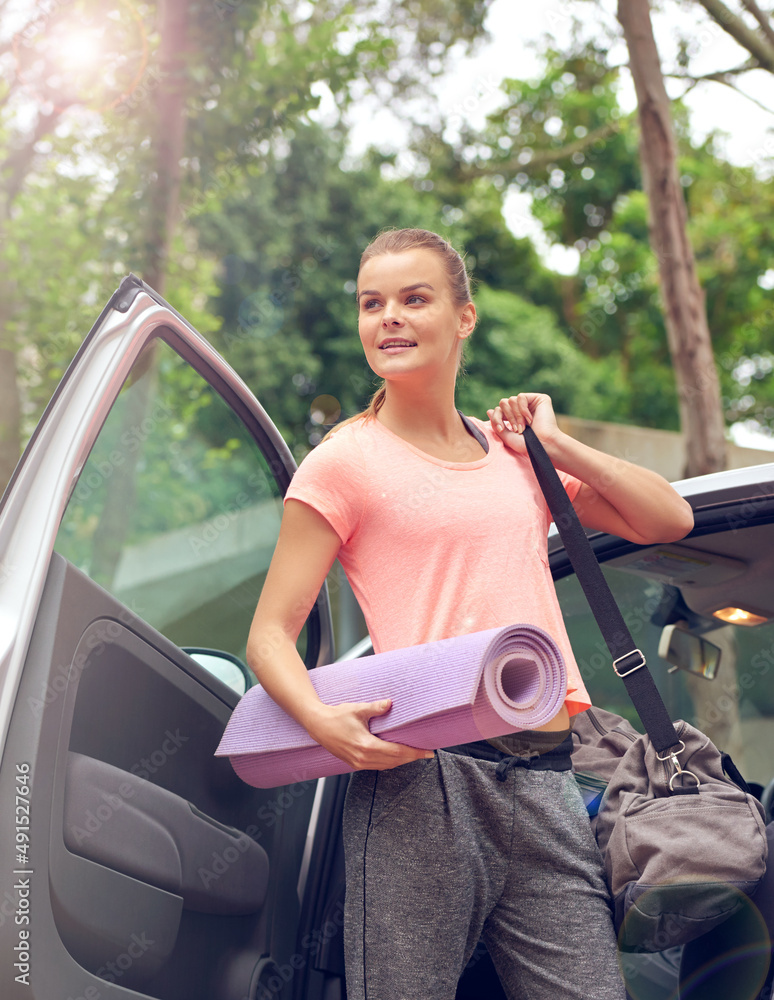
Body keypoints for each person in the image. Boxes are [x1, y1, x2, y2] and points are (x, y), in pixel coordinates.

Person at [247, 228, 694, 1000]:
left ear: (464, 317)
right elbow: (269, 636)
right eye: (371, 303)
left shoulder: (518, 456)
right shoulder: (344, 461)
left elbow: (669, 519)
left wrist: (559, 444)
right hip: (425, 781)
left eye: (414, 298)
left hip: (548, 778)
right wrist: (327, 729)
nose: (388, 317)